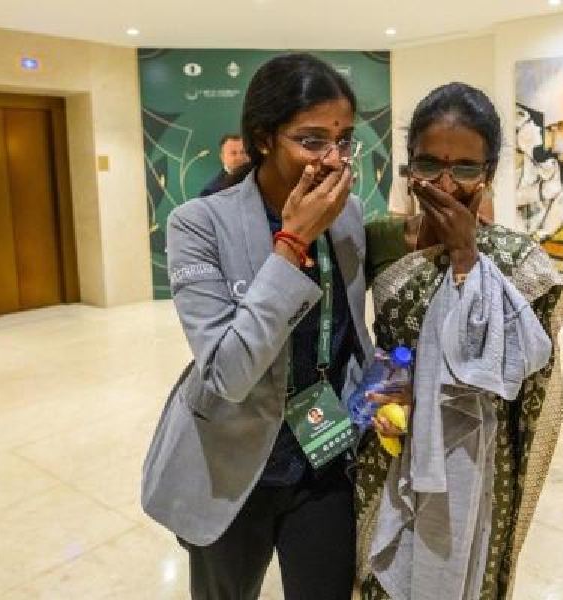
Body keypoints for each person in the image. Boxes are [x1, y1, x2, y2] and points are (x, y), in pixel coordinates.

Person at [141, 53, 374, 600]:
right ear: (264, 138)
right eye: (312, 140)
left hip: (323, 451)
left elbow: (348, 333)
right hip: (231, 459)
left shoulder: (349, 213)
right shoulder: (198, 225)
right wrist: (292, 243)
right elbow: (228, 373)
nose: (332, 159)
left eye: (343, 140)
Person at [356, 82, 563, 599]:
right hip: (392, 443)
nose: (445, 184)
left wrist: (466, 258)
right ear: (409, 166)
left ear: (490, 172)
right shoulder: (379, 240)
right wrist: (377, 387)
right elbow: (348, 337)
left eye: (466, 169)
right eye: (429, 165)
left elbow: (526, 368)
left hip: (475, 457)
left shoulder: (517, 259)